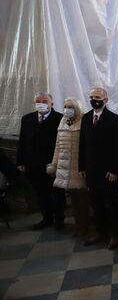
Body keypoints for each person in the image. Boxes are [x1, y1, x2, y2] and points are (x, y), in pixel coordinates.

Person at [79, 87, 118, 250]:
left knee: (111, 204)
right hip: (91, 169)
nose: (93, 100)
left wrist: (114, 170)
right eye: (91, 97)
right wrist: (82, 166)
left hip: (108, 171)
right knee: (96, 203)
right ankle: (100, 231)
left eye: (97, 97)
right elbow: (82, 145)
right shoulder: (85, 118)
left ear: (105, 100)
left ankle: (116, 234)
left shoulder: (114, 119)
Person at [17, 92, 64, 230]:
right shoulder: (27, 119)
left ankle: (59, 220)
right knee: (41, 193)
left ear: (52, 104)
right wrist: (21, 162)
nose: (41, 104)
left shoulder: (60, 118)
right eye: (38, 101)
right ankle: (46, 218)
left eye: (45, 101)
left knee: (57, 193)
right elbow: (22, 141)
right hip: (33, 164)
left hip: (53, 163)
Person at [46, 97, 90, 236]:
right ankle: (78, 226)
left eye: (70, 107)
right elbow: (58, 147)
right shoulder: (63, 122)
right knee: (74, 201)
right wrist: (53, 165)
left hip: (79, 167)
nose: (67, 110)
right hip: (66, 167)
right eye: (65, 106)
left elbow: (87, 147)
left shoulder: (84, 121)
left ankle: (84, 227)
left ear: (76, 108)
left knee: (83, 201)